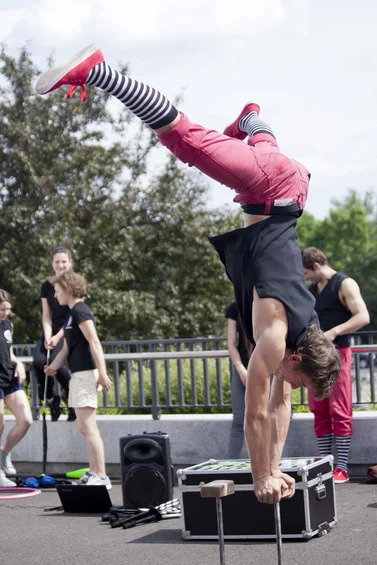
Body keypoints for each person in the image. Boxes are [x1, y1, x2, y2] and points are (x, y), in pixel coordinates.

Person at [36, 44, 342, 503]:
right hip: (269, 185)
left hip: (289, 191)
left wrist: (276, 469)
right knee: (184, 138)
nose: (291, 388)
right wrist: (261, 478)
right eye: (296, 381)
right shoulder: (278, 338)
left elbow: (282, 408)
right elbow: (256, 417)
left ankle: (251, 121)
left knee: (259, 141)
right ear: (296, 361)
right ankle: (99, 72)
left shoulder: (308, 336)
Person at [302, 247, 370, 483]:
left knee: (339, 410)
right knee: (319, 410)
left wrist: (334, 332)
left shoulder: (345, 283)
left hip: (338, 353)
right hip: (315, 357)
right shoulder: (311, 290)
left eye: (306, 272)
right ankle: (325, 465)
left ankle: (341, 467)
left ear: (317, 266)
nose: (305, 277)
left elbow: (362, 316)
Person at [44, 271, 113, 489]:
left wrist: (102, 373)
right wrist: (53, 366)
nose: (55, 296)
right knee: (84, 427)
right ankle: (94, 472)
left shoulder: (81, 311)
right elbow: (66, 348)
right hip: (77, 375)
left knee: (88, 427)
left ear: (67, 289)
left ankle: (101, 476)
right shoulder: (71, 314)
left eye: (57, 291)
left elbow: (94, 342)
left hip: (86, 375)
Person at [33, 246, 75, 422]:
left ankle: (73, 401)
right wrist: (49, 335)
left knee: (55, 364)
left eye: (64, 261)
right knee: (39, 362)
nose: (61, 265)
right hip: (51, 330)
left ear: (70, 263)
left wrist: (58, 337)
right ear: (52, 264)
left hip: (69, 330)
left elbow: (75, 314)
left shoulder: (75, 283)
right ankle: (51, 400)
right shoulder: (46, 286)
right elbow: (46, 315)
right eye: (57, 262)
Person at [0, 290, 33, 487]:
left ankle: (4, 453)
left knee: (26, 420)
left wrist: (19, 363)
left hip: (9, 377)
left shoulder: (8, 325)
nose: (4, 313)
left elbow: (9, 352)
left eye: (7, 310)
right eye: (1, 309)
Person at [225, 300, 252, 459]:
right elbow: (231, 344)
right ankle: (229, 467)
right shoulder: (235, 307)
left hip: (266, 368)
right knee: (239, 419)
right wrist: (242, 370)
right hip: (241, 367)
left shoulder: (267, 302)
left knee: (267, 417)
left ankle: (272, 466)